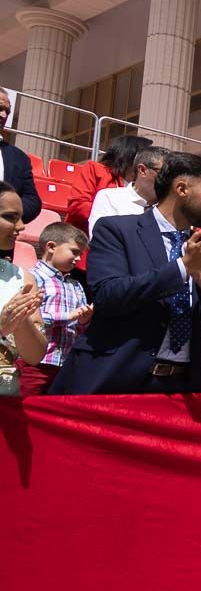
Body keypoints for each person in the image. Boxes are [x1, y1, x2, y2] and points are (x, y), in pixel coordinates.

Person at [50, 153, 201, 395]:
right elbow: (108, 296)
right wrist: (182, 268)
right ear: (182, 189)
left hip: (181, 389)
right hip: (115, 381)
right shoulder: (117, 230)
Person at [23, 222, 89, 395]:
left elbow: (78, 327)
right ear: (51, 247)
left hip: (64, 365)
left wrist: (83, 320)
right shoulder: (32, 278)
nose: (78, 259)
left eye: (81, 254)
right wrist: (69, 316)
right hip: (35, 363)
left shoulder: (76, 285)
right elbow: (28, 319)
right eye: (74, 252)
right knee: (24, 409)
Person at [0, 182, 47, 395]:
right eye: (10, 217)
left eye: (21, 217)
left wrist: (20, 321)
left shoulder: (22, 277)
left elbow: (35, 355)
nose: (21, 226)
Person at [66, 134, 153, 236]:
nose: (149, 161)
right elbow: (77, 205)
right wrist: (113, 215)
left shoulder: (142, 184)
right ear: (130, 154)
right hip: (83, 239)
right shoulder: (95, 169)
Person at [88, 145, 168, 234]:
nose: (170, 179)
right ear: (142, 170)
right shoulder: (109, 198)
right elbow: (100, 239)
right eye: (165, 172)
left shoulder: (170, 207)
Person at [0, 91, 41, 223]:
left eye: (7, 111)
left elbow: (32, 200)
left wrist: (8, 214)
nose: (4, 115)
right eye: (0, 108)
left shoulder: (18, 157)